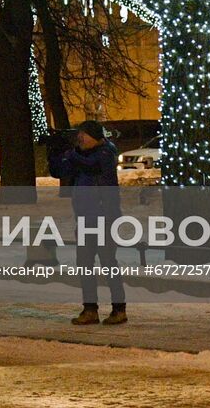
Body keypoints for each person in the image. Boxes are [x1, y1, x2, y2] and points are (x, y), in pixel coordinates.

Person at [51, 119, 126, 326]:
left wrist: (72, 153)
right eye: (79, 134)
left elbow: (92, 166)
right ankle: (90, 309)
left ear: (96, 137)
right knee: (85, 265)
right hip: (85, 219)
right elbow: (60, 171)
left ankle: (119, 309)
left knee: (108, 264)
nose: (80, 138)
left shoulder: (106, 153)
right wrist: (55, 151)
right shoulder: (81, 155)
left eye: (84, 135)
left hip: (105, 219)